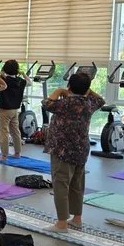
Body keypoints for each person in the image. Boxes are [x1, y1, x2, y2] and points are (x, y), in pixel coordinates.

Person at [41, 72, 105, 231]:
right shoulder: (89, 103)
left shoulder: (65, 103)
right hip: (81, 149)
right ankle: (77, 218)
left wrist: (59, 90)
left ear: (69, 86)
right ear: (87, 89)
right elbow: (101, 100)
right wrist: (87, 91)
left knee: (61, 185)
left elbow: (46, 103)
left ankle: (62, 223)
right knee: (77, 184)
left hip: (62, 150)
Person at [0, 60, 32, 161]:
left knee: (4, 131)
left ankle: (4, 155)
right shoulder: (20, 81)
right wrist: (23, 73)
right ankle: (17, 153)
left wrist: (1, 72)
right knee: (15, 131)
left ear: (4, 69)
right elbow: (30, 83)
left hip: (4, 110)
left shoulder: (2, 80)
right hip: (15, 110)